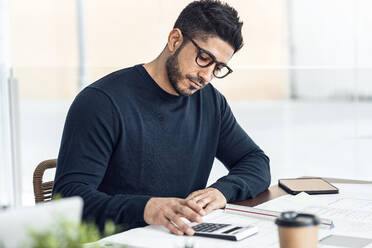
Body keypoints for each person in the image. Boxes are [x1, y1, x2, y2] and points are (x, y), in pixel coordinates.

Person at [52, 0, 271, 236]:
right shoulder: (101, 102)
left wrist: (222, 191)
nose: (207, 76)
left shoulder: (210, 102)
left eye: (218, 68)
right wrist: (145, 208)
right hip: (115, 240)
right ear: (175, 40)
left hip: (179, 238)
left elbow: (256, 161)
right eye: (204, 58)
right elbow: (68, 199)